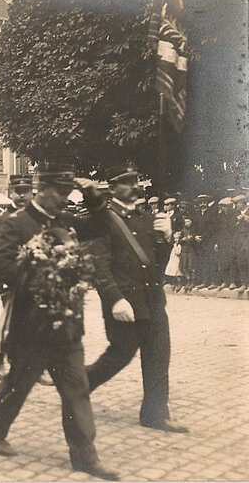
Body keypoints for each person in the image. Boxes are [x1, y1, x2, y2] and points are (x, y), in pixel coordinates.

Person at [0, 163, 118, 481]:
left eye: (69, 193)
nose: (65, 199)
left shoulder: (67, 220)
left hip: (67, 324)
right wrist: (39, 275)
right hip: (31, 327)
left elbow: (102, 227)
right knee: (19, 383)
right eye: (61, 192)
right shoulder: (15, 223)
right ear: (42, 189)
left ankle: (85, 456)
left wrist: (94, 198)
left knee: (76, 389)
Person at [84, 163, 188, 434]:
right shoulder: (102, 221)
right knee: (119, 355)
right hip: (124, 304)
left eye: (136, 181)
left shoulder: (145, 218)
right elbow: (99, 264)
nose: (135, 187)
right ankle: (77, 386)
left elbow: (156, 262)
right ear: (112, 187)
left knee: (158, 356)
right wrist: (114, 299)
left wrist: (165, 239)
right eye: (127, 182)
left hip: (152, 302)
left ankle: (155, 414)